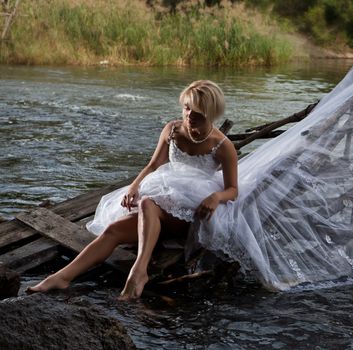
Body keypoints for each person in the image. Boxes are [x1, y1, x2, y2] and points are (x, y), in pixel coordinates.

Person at [27, 80, 238, 300]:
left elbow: (233, 189)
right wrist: (134, 186)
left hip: (190, 212)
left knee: (148, 202)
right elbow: (154, 165)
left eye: (198, 111)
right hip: (162, 203)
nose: (189, 115)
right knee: (114, 230)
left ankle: (139, 271)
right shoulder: (173, 129)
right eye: (186, 107)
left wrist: (216, 197)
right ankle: (61, 277)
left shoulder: (222, 145)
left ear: (211, 112)